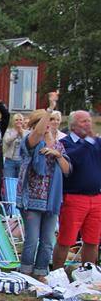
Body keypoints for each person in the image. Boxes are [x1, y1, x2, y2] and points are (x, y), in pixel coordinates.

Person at [17, 109, 70, 280]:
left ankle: (40, 272)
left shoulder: (58, 145)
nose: (49, 123)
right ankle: (26, 272)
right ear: (35, 124)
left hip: (52, 200)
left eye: (52, 120)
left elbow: (67, 170)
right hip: (31, 199)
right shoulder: (30, 141)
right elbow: (38, 133)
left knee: (47, 240)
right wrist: (50, 108)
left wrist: (58, 155)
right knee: (32, 239)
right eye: (46, 121)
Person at [52, 110, 101, 270]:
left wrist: (91, 141)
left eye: (89, 120)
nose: (88, 124)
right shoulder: (65, 143)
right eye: (83, 121)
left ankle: (88, 273)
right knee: (66, 239)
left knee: (92, 240)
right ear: (72, 126)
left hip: (96, 197)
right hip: (74, 197)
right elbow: (74, 159)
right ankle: (57, 272)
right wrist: (88, 141)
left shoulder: (95, 143)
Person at [2, 113, 27, 179]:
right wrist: (16, 134)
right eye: (16, 120)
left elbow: (27, 144)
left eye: (20, 120)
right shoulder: (8, 131)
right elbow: (7, 141)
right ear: (13, 122)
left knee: (21, 180)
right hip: (10, 160)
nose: (19, 121)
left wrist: (22, 134)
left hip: (22, 161)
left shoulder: (27, 132)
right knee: (9, 180)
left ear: (23, 121)